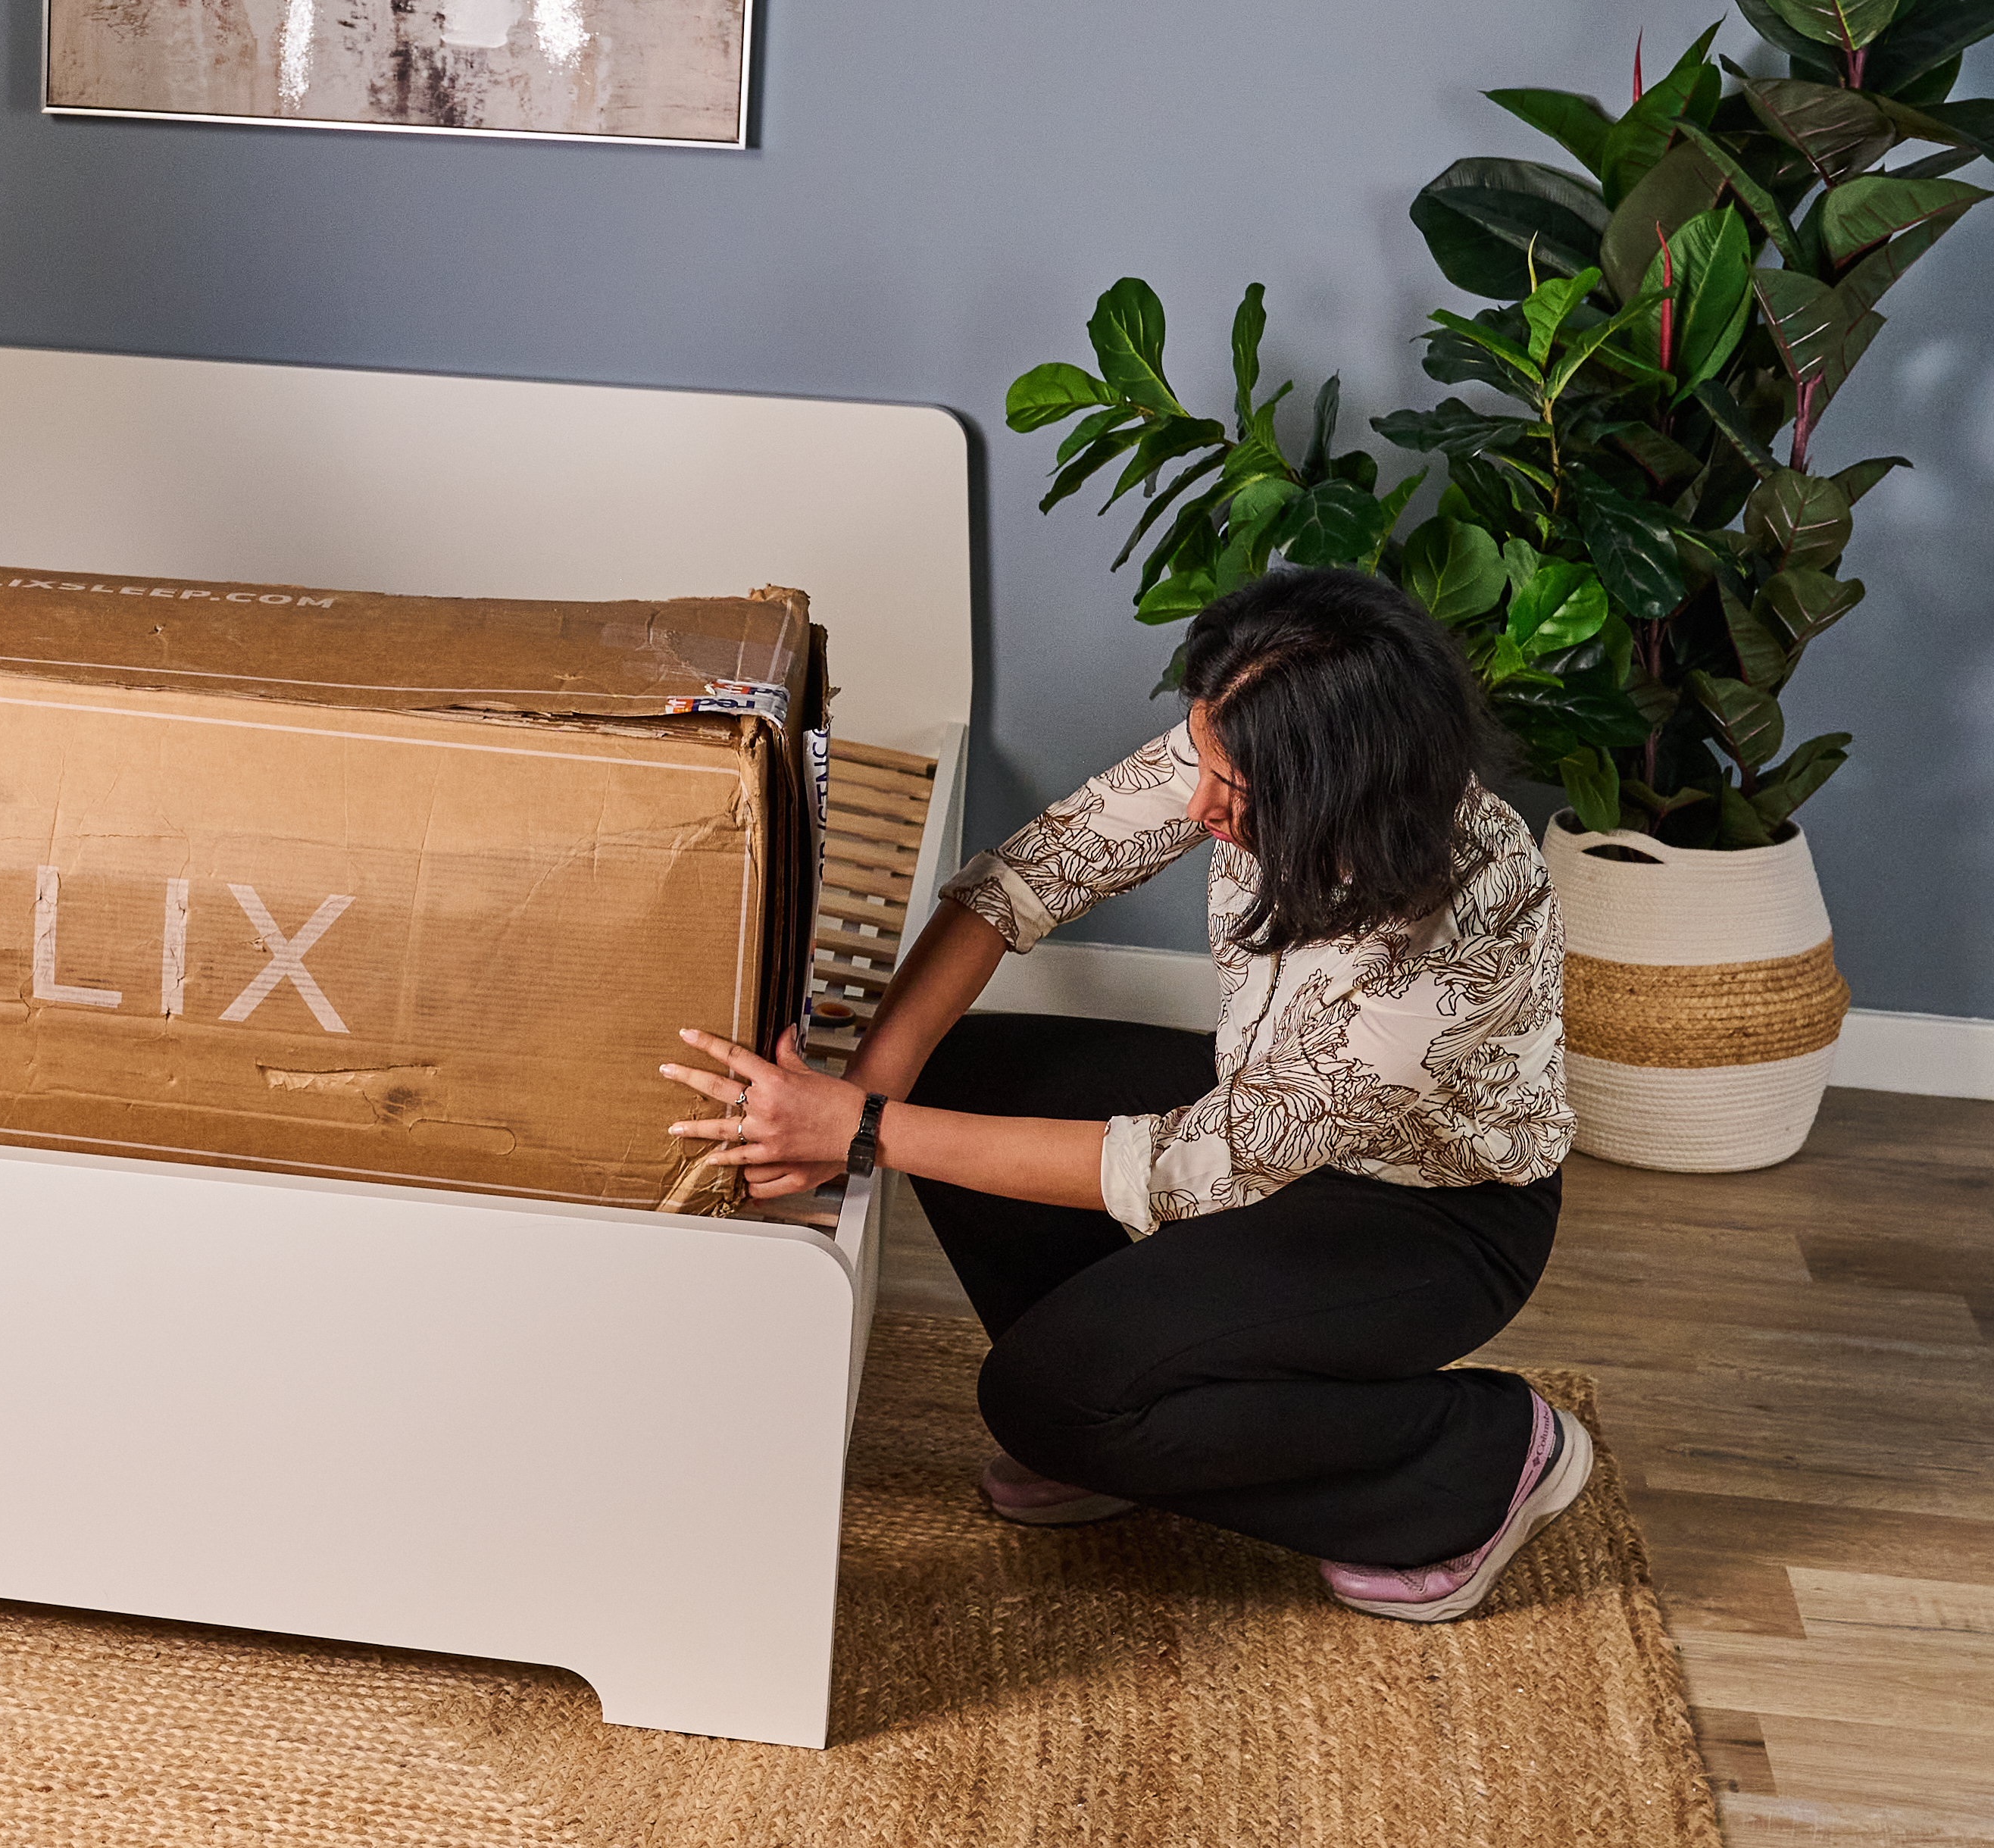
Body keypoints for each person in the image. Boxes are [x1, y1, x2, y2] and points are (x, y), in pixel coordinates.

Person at [666, 565, 1583, 1622]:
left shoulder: (1453, 939)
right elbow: (1028, 877)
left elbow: (1191, 1166)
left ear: (1342, 785)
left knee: (1039, 1399)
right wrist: (862, 1099)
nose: (1201, 807)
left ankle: (1477, 1462)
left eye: (1233, 794)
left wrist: (863, 1130)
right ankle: (1131, 1429)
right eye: (1204, 759)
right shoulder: (1259, 731)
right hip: (1261, 1113)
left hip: (1433, 1215)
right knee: (963, 1076)